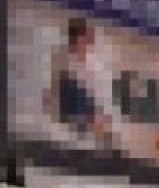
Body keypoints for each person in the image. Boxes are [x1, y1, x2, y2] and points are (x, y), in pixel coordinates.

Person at [45, 17, 113, 150]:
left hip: (83, 112)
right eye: (87, 37)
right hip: (73, 113)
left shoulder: (91, 63)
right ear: (79, 38)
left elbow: (95, 95)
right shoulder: (63, 60)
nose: (90, 42)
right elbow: (62, 93)